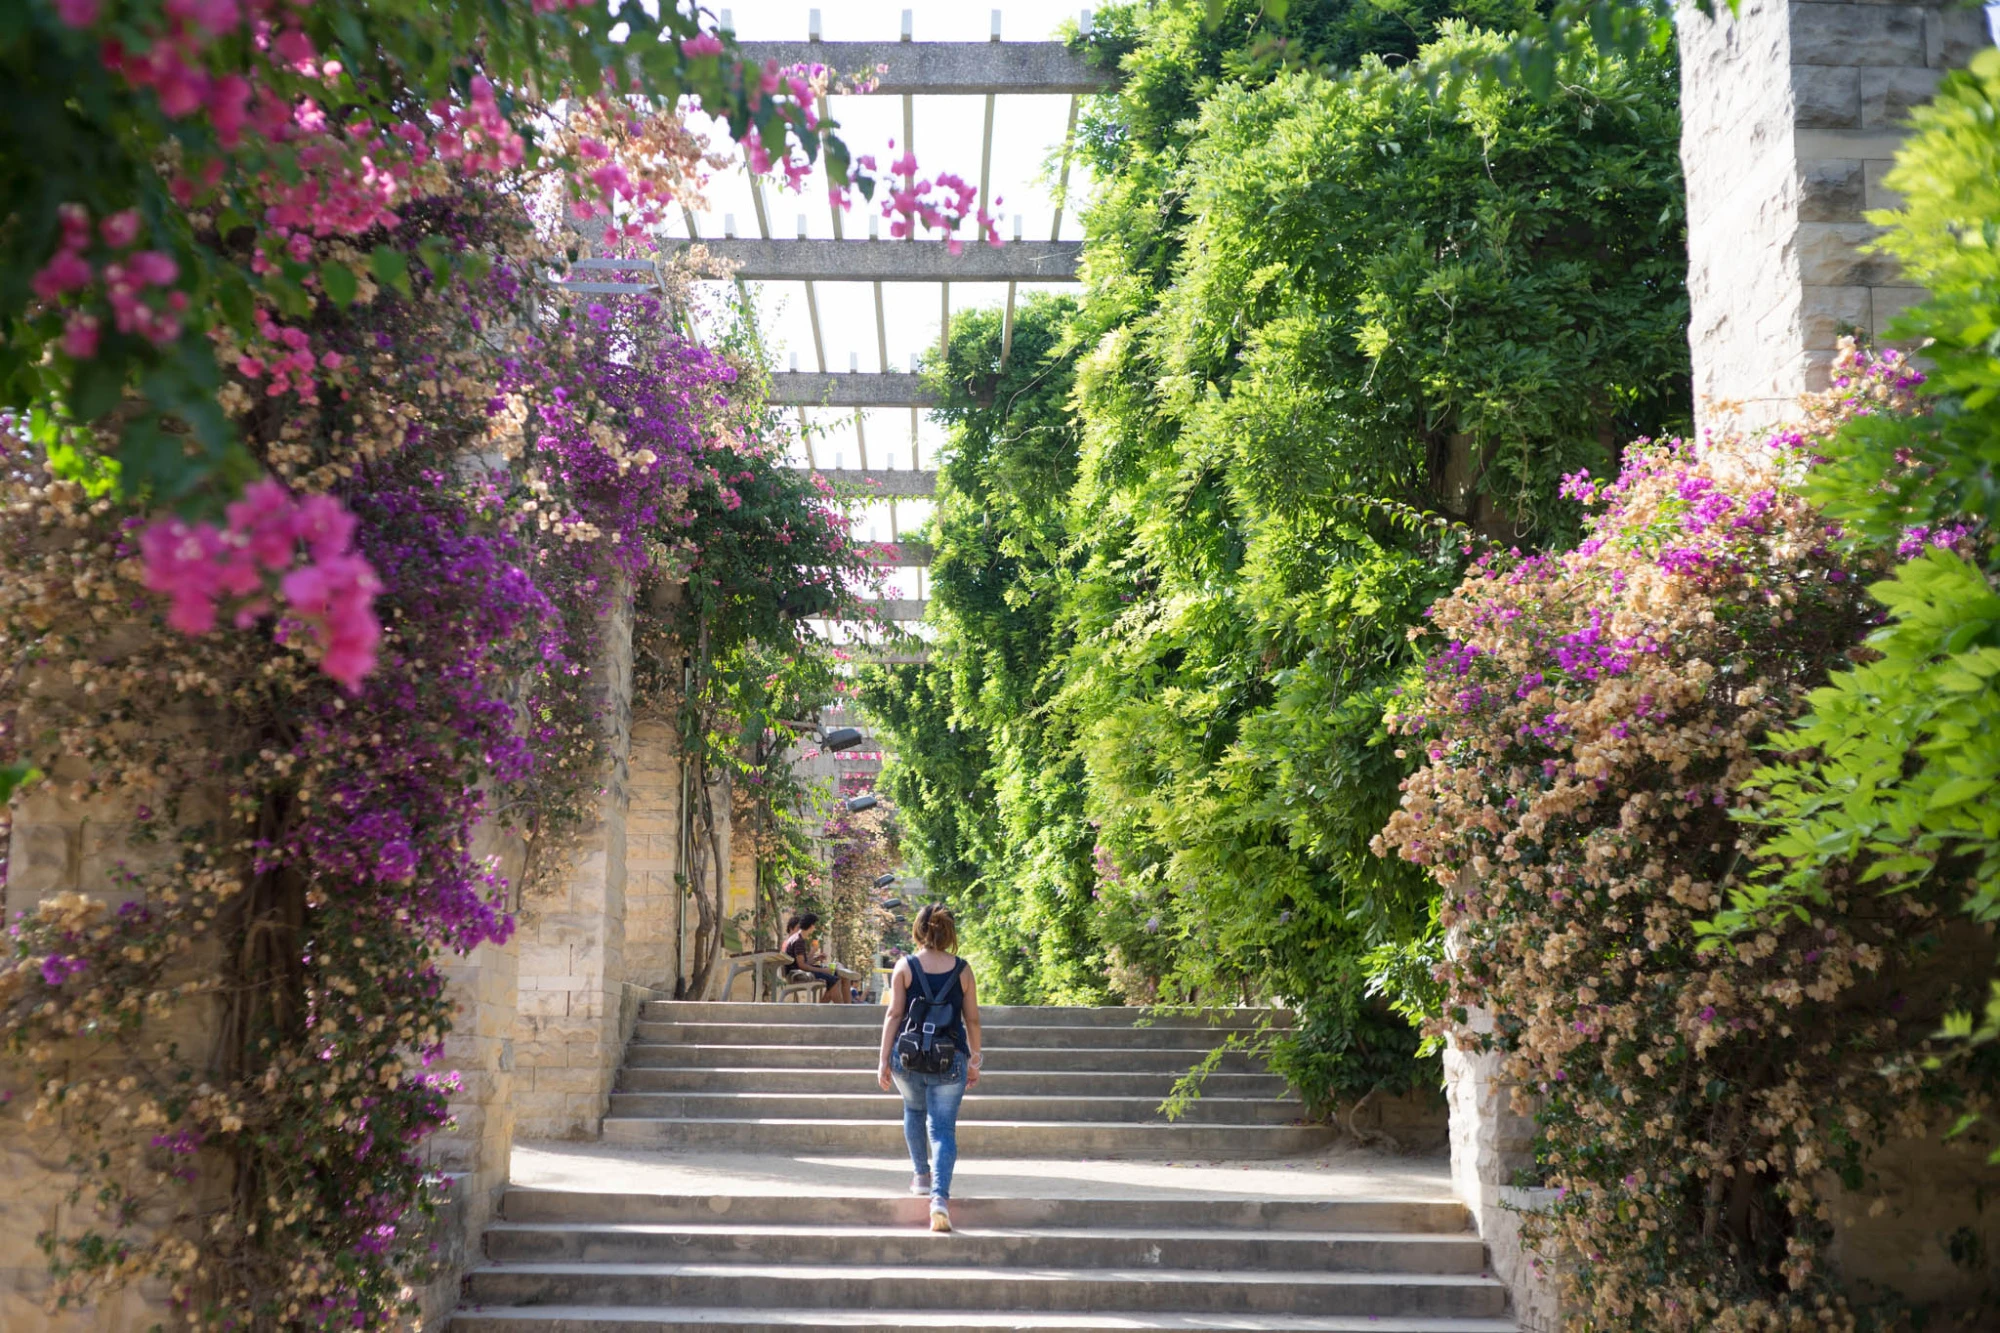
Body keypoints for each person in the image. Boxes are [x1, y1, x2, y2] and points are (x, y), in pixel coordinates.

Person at [877, 904, 981, 1233]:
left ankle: (921, 1176)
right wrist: (975, 1059)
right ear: (950, 933)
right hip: (950, 1058)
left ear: (919, 930)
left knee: (913, 1109)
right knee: (943, 1130)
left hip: (908, 1057)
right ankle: (939, 1200)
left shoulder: (905, 966)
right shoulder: (963, 970)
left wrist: (883, 1059)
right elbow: (972, 1019)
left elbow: (894, 1015)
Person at [781, 912, 853, 1003]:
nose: (814, 928)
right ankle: (841, 1008)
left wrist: (816, 958)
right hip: (796, 975)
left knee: (839, 976)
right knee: (834, 980)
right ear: (811, 926)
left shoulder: (797, 938)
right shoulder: (798, 940)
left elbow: (802, 962)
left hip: (797, 971)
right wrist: (823, 970)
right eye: (814, 926)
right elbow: (802, 966)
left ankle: (843, 1007)